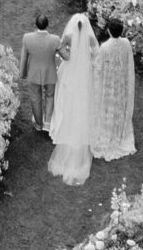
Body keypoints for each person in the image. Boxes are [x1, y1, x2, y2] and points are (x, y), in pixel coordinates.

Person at [48, 11, 99, 183]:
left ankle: (65, 118)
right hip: (84, 70)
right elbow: (96, 52)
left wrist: (70, 51)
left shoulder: (68, 35)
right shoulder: (90, 38)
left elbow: (63, 50)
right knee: (83, 98)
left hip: (70, 70)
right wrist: (89, 58)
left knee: (66, 95)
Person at [91, 17, 136, 160]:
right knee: (119, 106)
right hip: (121, 82)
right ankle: (119, 131)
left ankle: (108, 132)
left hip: (109, 84)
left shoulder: (105, 47)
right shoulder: (126, 43)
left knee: (108, 107)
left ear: (109, 30)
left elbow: (98, 68)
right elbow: (129, 63)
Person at [19, 12, 62, 133]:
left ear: (35, 24)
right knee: (50, 96)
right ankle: (47, 123)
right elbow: (64, 54)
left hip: (33, 73)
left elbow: (23, 57)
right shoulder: (55, 39)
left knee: (35, 98)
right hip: (50, 73)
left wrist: (22, 73)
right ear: (48, 25)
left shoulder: (27, 37)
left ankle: (38, 124)